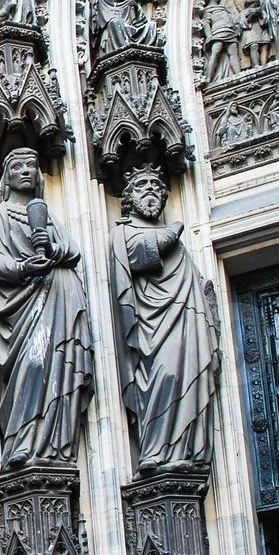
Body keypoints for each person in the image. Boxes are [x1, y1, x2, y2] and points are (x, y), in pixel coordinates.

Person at [0, 149, 95, 469]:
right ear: (6, 177)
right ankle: (23, 440)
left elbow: (70, 248)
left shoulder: (45, 213)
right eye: (17, 166)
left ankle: (57, 444)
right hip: (26, 302)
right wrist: (22, 267)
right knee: (33, 365)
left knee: (63, 367)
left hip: (61, 295)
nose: (26, 171)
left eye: (32, 165)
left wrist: (52, 250)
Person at [110, 167, 221, 475]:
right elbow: (140, 254)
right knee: (165, 375)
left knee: (191, 377)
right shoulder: (124, 232)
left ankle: (188, 449)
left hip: (187, 324)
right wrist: (173, 229)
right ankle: (157, 450)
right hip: (152, 332)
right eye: (142, 185)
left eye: (156, 186)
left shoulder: (180, 246)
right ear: (129, 197)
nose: (150, 190)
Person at [90, 0, 159, 57]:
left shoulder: (131, 4)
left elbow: (139, 24)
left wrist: (134, 10)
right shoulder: (104, 4)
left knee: (151, 26)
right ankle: (124, 53)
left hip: (132, 34)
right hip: (112, 42)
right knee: (115, 22)